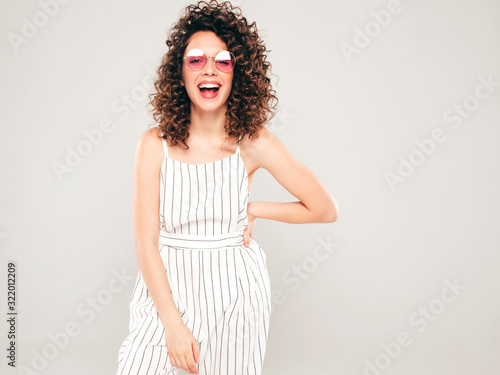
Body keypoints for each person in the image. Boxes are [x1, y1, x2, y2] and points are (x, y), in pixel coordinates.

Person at [116, 1, 339, 374]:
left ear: (239, 73)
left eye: (223, 61)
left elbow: (325, 209)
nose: (209, 70)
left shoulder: (253, 143)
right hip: (167, 292)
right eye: (196, 60)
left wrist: (253, 209)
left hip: (235, 295)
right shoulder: (153, 145)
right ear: (180, 72)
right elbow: (145, 243)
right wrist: (172, 324)